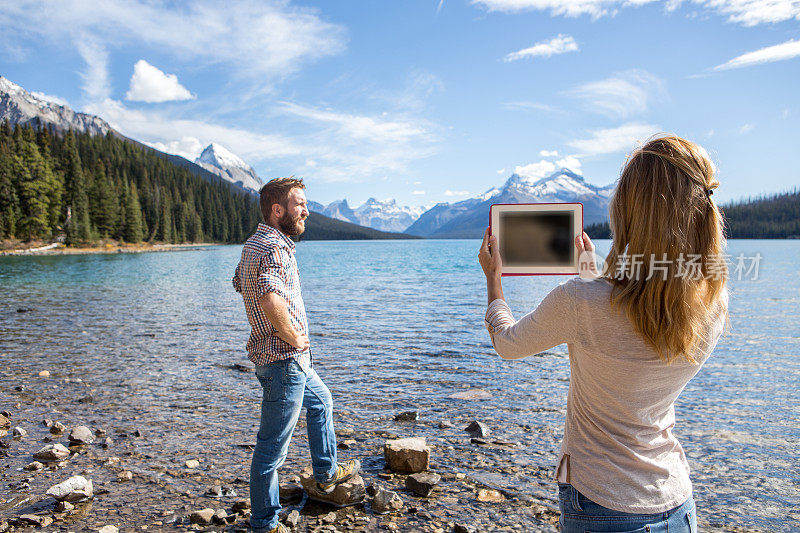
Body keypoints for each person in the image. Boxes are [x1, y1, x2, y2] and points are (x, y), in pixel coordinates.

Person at [478, 135, 728, 533]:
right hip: (676, 502)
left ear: (629, 214)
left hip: (602, 505)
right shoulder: (713, 301)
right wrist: (594, 275)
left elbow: (508, 344)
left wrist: (495, 282)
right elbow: (644, 303)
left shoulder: (581, 301)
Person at [233, 177, 360, 533]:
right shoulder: (273, 248)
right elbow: (269, 295)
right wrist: (291, 335)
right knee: (271, 451)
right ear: (278, 210)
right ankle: (264, 523)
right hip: (284, 362)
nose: (306, 210)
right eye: (299, 204)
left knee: (322, 402)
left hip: (284, 361)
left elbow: (239, 282)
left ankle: (325, 474)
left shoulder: (254, 245)